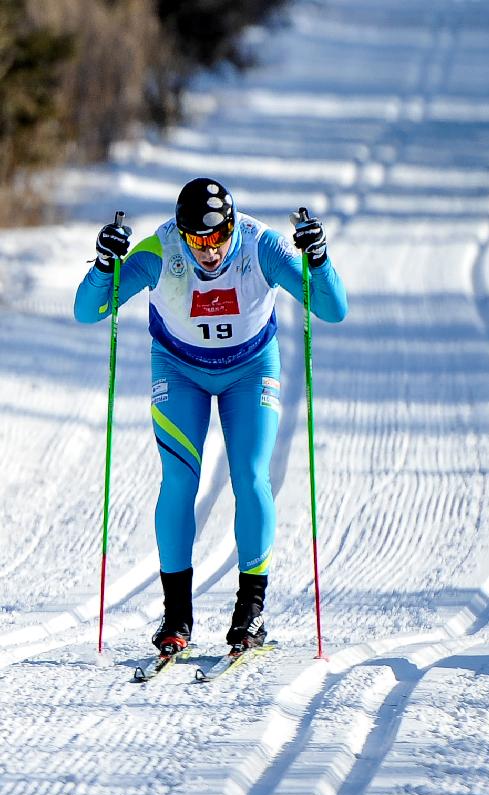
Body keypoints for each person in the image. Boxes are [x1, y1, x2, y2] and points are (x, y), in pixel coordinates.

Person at [75, 178, 348, 656]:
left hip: (250, 369)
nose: (209, 251)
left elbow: (332, 309)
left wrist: (318, 259)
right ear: (181, 233)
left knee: (249, 476)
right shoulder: (161, 250)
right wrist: (105, 265)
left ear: (231, 225)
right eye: (197, 240)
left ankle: (250, 612)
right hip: (180, 371)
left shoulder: (261, 246)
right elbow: (88, 311)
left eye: (218, 237)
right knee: (180, 481)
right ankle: (176, 614)